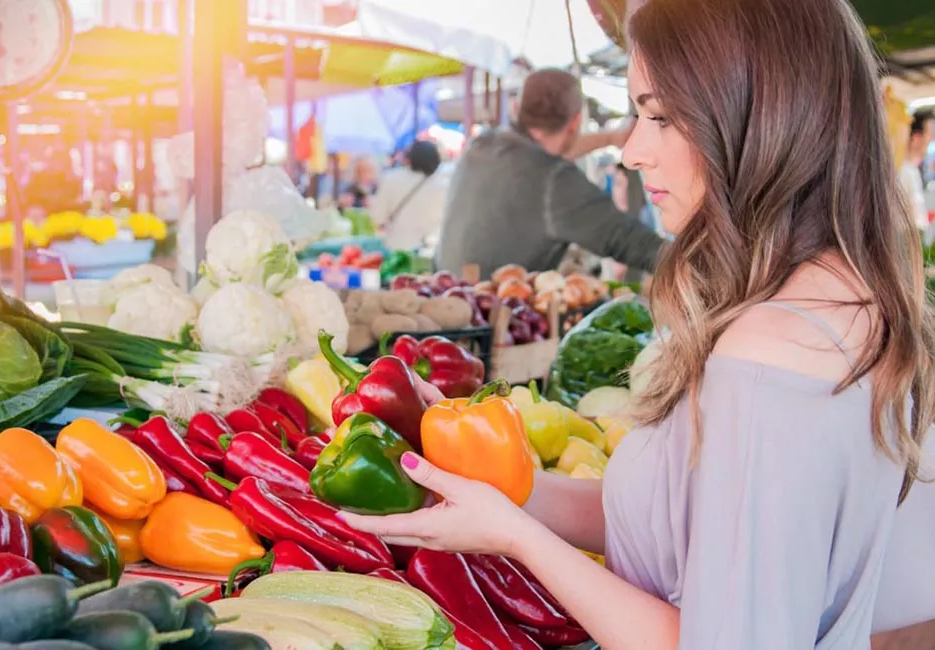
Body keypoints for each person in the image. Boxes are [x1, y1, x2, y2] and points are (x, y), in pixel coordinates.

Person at [340, 0, 935, 648]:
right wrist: (503, 483)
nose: (630, 151)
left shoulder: (768, 362)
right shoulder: (845, 303)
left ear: (756, 120)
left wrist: (516, 538)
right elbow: (680, 529)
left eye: (659, 116)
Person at [434, 68, 664, 280]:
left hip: (438, 301)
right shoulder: (555, 181)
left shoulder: (481, 145)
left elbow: (548, 150)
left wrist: (612, 138)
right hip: (495, 319)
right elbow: (635, 244)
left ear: (516, 108)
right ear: (575, 123)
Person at [370, 140, 449, 251]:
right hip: (429, 250)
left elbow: (378, 218)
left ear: (409, 158)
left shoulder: (391, 178)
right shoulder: (444, 186)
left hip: (397, 249)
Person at [901, 110, 934, 232]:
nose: (932, 140)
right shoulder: (903, 172)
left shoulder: (913, 171)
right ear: (916, 138)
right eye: (930, 135)